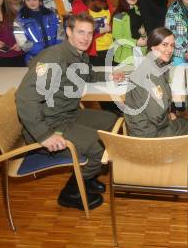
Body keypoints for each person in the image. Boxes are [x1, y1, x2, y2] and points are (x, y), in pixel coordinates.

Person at [16, 12, 123, 210]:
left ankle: (88, 177)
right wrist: (44, 135)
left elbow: (87, 74)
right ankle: (71, 192)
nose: (86, 38)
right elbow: (25, 98)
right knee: (99, 145)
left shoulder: (77, 54)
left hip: (68, 114)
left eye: (90, 33)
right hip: (51, 123)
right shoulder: (55, 57)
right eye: (80, 32)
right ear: (68, 32)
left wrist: (109, 76)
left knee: (111, 121)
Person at [123, 27, 188, 137]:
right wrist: (169, 117)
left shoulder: (155, 64)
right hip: (151, 137)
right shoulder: (151, 72)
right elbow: (157, 115)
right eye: (164, 45)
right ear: (152, 46)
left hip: (143, 129)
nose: (170, 50)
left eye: (172, 45)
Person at [72, 0, 114, 66]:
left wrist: (110, 27)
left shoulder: (106, 1)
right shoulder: (79, 5)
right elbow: (80, 30)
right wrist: (100, 30)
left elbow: (112, 21)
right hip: (94, 50)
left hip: (111, 47)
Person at [16, 0, 62, 65]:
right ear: (24, 1)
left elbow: (61, 32)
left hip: (55, 55)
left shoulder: (51, 14)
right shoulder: (18, 20)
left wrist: (57, 48)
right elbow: (22, 43)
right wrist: (41, 51)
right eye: (28, 0)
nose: (32, 2)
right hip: (35, 58)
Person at [112, 0, 147, 65]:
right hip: (124, 56)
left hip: (140, 52)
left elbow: (142, 31)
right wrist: (135, 43)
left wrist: (144, 34)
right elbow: (118, 38)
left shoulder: (140, 11)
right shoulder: (119, 15)